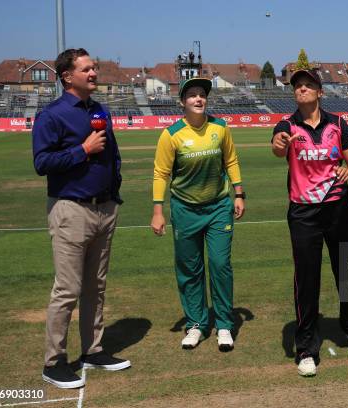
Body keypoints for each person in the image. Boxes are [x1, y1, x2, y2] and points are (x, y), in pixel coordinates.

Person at [33, 48, 130, 389]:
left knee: (95, 287)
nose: (94, 73)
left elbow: (114, 155)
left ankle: (93, 350)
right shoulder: (53, 115)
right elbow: (42, 163)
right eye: (87, 69)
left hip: (104, 208)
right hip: (71, 210)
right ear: (67, 76)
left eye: (94, 68)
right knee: (68, 289)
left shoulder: (100, 109)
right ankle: (54, 361)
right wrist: (82, 151)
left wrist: (113, 192)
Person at [271, 69, 348, 377]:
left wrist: (347, 172)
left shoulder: (338, 123)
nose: (301, 89)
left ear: (319, 91)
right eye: (297, 86)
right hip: (303, 213)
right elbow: (276, 149)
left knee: (347, 272)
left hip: (338, 208)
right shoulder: (286, 125)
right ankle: (306, 349)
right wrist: (280, 142)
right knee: (307, 280)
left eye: (308, 85)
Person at [151, 77, 245, 352]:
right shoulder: (171, 135)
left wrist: (239, 193)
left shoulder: (221, 128)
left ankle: (224, 324)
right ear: (182, 102)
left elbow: (231, 160)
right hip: (185, 210)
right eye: (192, 95)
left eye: (202, 94)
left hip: (218, 207)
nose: (198, 99)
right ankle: (196, 324)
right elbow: (161, 174)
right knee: (190, 270)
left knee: (219, 265)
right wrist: (158, 211)